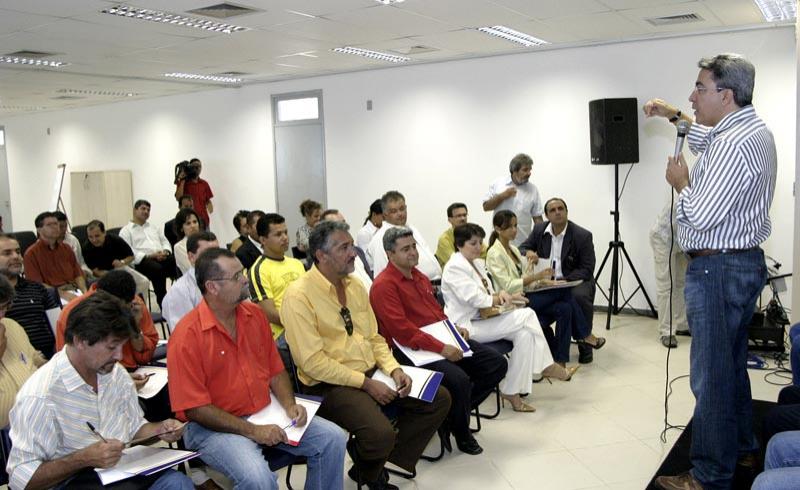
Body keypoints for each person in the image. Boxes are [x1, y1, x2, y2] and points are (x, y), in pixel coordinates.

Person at [646, 53, 776, 490]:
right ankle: (741, 448)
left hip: (717, 269)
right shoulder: (748, 130)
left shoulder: (733, 145)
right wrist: (672, 115)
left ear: (726, 94)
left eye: (700, 89)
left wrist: (681, 184)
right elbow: (704, 136)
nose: (692, 96)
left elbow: (699, 216)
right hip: (738, 264)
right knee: (731, 366)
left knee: (711, 379)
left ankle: (709, 474)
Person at [282, 221, 451, 490]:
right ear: (321, 255)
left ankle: (370, 463)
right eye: (344, 248)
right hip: (328, 385)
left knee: (438, 398)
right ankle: (373, 467)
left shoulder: (355, 286)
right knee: (379, 433)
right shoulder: (298, 296)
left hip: (371, 371)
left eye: (352, 245)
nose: (354, 253)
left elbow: (374, 338)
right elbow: (313, 363)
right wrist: (366, 384)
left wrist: (394, 369)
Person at [168, 248, 346, 490]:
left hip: (263, 412)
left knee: (333, 439)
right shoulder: (186, 335)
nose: (245, 279)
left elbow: (275, 370)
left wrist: (289, 405)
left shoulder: (254, 315)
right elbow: (195, 409)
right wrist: (253, 431)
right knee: (258, 479)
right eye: (236, 276)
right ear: (212, 287)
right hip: (212, 427)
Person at [7, 291, 193, 490]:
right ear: (80, 341)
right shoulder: (40, 396)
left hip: (120, 474)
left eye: (122, 346)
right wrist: (81, 459)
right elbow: (20, 479)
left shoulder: (114, 374)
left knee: (178, 483)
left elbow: (134, 428)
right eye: (112, 347)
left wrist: (159, 429)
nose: (119, 356)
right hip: (72, 482)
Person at [370, 226, 507, 455]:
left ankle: (452, 417)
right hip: (409, 351)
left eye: (414, 246)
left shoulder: (419, 277)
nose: (413, 252)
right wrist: (442, 348)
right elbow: (403, 332)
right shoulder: (383, 286)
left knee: (496, 364)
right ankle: (462, 432)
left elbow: (437, 314)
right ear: (390, 254)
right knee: (459, 380)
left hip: (438, 339)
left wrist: (454, 329)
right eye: (405, 249)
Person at [442, 223, 576, 413]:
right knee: (528, 314)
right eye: (473, 243)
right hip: (464, 327)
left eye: (480, 242)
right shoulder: (454, 266)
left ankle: (511, 392)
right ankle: (546, 365)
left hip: (484, 318)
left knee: (525, 335)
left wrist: (509, 297)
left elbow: (490, 293)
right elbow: (475, 298)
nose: (478, 247)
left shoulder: (477, 263)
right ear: (459, 244)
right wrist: (501, 298)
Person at [487, 210, 605, 365]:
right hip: (513, 302)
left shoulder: (513, 249)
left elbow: (524, 278)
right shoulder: (494, 254)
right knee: (564, 292)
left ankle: (560, 361)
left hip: (525, 296)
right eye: (510, 227)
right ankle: (585, 335)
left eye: (516, 225)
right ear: (498, 229)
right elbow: (508, 286)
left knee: (565, 308)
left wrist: (543, 282)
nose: (515, 230)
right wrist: (537, 277)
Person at [519, 198, 598, 364]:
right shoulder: (540, 229)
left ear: (567, 212)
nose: (557, 212)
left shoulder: (582, 235)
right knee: (564, 305)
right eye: (553, 210)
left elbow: (587, 268)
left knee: (578, 296)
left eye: (561, 208)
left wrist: (565, 280)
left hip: (574, 280)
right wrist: (529, 252)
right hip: (546, 282)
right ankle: (583, 337)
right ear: (547, 215)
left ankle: (584, 347)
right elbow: (523, 248)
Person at [0, 233, 60, 358]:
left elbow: (58, 324)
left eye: (18, 252)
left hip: (49, 356)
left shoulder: (37, 288)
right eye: (7, 253)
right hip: (12, 358)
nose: (16, 256)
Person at [247, 213, 305, 342]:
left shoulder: (297, 264)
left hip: (304, 325)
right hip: (281, 334)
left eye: (285, 232)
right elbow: (269, 313)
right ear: (263, 240)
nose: (285, 238)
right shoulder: (258, 270)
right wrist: (301, 323)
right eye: (278, 234)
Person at [0, 274, 46, 429]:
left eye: (4, 307)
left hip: (38, 414)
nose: (2, 315)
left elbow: (34, 358)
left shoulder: (10, 325)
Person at [367, 191, 441, 281]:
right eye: (394, 211)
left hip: (430, 284)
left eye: (402, 209)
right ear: (385, 214)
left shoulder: (411, 228)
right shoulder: (381, 238)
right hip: (412, 286)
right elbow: (383, 274)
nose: (400, 214)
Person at [120, 199, 175, 307]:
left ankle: (182, 296)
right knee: (157, 269)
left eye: (148, 210)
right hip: (142, 262)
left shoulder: (154, 227)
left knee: (176, 260)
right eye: (143, 209)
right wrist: (151, 255)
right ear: (135, 210)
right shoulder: (126, 231)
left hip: (161, 257)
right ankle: (163, 303)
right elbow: (128, 251)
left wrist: (165, 251)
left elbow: (165, 241)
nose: (146, 211)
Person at [649, 200, 690, 348]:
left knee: (681, 283)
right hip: (663, 238)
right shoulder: (690, 195)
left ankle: (682, 324)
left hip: (681, 241)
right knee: (666, 285)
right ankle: (666, 331)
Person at [162, 231, 219, 332]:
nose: (215, 258)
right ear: (191, 257)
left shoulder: (226, 279)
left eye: (217, 252)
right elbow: (183, 334)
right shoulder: (179, 292)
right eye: (208, 254)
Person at [23, 211, 87, 301]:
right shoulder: (31, 254)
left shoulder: (66, 248)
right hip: (52, 295)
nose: (55, 227)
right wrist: (63, 295)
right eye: (49, 225)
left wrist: (84, 292)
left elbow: (78, 274)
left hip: (74, 289)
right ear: (39, 230)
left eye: (56, 224)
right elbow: (37, 285)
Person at [483, 153, 544, 246]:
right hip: (499, 242)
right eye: (525, 170)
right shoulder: (498, 184)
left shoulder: (533, 189)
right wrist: (502, 196)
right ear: (514, 171)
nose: (529, 173)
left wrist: (541, 241)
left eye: (530, 170)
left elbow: (538, 218)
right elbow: (486, 207)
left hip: (523, 243)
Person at [82, 219, 150, 296]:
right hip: (101, 275)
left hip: (119, 268)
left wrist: (122, 262)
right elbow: (96, 272)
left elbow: (131, 256)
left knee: (144, 282)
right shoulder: (86, 248)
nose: (94, 240)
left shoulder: (114, 239)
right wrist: (114, 276)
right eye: (90, 237)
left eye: (97, 236)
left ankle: (136, 302)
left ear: (104, 233)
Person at [321, 209, 373, 288]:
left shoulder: (358, 251)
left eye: (344, 223)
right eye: (338, 225)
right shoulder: (328, 259)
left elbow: (369, 277)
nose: (344, 228)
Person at [435, 202, 487, 267]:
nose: (463, 218)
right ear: (450, 220)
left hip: (474, 269)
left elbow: (486, 254)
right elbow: (455, 262)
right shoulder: (444, 239)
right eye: (458, 216)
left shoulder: (471, 234)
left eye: (464, 215)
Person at [175, 158, 213, 227]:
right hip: (189, 222)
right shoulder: (183, 183)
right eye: (195, 166)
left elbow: (207, 200)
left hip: (204, 221)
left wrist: (210, 209)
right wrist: (182, 180)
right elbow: (178, 198)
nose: (197, 168)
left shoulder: (204, 184)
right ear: (190, 167)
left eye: (199, 166)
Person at [54, 211, 91, 278]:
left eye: (65, 226)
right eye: (61, 227)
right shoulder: (46, 243)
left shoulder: (72, 240)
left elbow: (79, 262)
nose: (64, 229)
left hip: (76, 273)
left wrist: (84, 272)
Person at [173, 208, 203, 275]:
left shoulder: (206, 240)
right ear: (181, 228)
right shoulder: (179, 247)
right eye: (188, 223)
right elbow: (192, 268)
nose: (193, 226)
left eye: (195, 222)